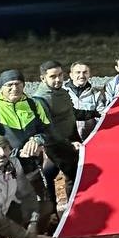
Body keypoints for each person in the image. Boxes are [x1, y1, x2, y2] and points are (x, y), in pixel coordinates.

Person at [0, 70, 52, 224]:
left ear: (24, 85)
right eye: (9, 85)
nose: (14, 88)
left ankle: (41, 232)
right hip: (7, 172)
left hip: (33, 167)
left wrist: (37, 140)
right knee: (14, 209)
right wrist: (18, 153)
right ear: (1, 88)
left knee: (41, 202)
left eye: (18, 84)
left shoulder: (33, 104)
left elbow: (47, 130)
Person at [33, 61, 80, 214]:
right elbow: (49, 128)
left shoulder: (62, 91)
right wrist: (70, 144)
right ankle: (72, 211)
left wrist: (96, 113)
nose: (58, 79)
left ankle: (52, 205)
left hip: (71, 138)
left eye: (60, 75)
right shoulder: (41, 99)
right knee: (74, 176)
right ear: (42, 78)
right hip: (58, 145)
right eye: (53, 76)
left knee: (50, 172)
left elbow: (71, 113)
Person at [65, 61, 106, 140]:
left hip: (89, 139)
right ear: (71, 75)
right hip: (67, 141)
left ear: (89, 74)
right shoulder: (62, 92)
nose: (81, 76)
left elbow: (102, 117)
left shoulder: (96, 94)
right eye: (78, 72)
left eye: (85, 72)